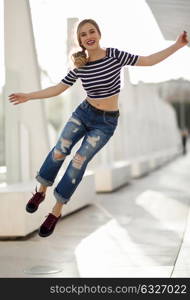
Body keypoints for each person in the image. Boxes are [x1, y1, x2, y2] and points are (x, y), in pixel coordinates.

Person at [8, 19, 189, 237]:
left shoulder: (114, 55)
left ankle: (55, 212)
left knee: (78, 161)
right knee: (60, 150)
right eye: (83, 34)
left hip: (105, 123)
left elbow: (148, 61)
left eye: (91, 31)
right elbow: (58, 88)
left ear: (99, 34)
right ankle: (41, 191)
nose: (88, 36)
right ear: (81, 41)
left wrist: (177, 46)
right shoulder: (80, 65)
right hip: (83, 114)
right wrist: (29, 96)